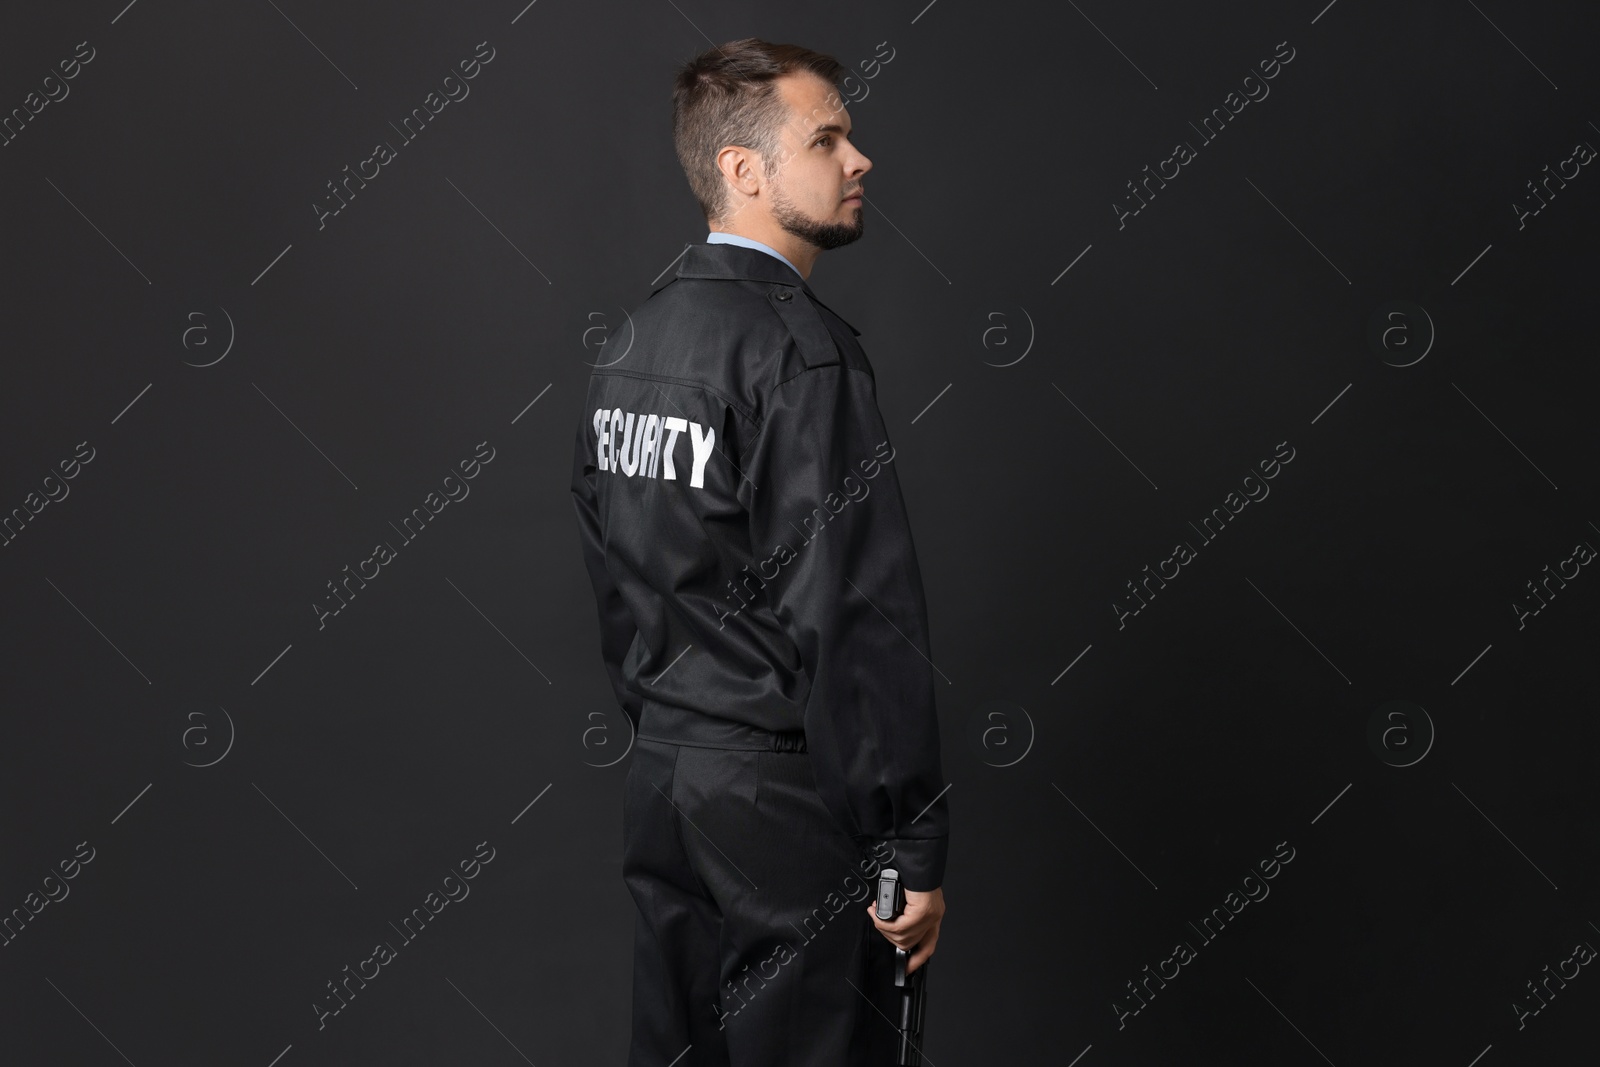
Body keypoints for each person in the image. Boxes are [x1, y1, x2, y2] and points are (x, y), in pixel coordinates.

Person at [569, 37, 949, 1067]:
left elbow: (616, 570)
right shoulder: (797, 351)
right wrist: (908, 836)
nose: (857, 157)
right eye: (825, 138)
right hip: (779, 794)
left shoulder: (636, 343)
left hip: (666, 783)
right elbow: (854, 605)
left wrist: (671, 730)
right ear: (742, 170)